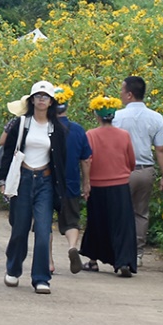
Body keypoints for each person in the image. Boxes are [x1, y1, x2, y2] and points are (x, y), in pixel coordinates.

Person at [0, 81, 68, 293]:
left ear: (52, 101)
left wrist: (62, 191)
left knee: (44, 231)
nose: (42, 99)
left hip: (45, 181)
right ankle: (13, 269)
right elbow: (8, 153)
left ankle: (41, 278)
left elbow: (62, 162)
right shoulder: (21, 123)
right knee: (20, 228)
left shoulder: (58, 129)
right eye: (38, 96)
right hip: (23, 179)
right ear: (32, 99)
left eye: (46, 96)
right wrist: (2, 181)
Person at [113, 76, 163, 267]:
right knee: (141, 212)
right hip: (146, 170)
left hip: (122, 171)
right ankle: (137, 253)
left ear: (129, 94)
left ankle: (121, 252)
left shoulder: (117, 117)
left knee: (121, 211)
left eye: (122, 90)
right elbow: (160, 149)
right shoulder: (156, 117)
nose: (120, 94)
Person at [79, 96, 137, 276]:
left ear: (97, 114)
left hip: (97, 185)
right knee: (121, 225)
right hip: (119, 185)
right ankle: (123, 262)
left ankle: (93, 260)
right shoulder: (124, 135)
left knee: (97, 223)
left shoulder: (90, 135)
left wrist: (86, 183)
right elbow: (131, 161)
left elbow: (87, 160)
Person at [52, 100, 92, 274]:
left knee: (44, 223)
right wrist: (86, 183)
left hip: (48, 182)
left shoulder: (46, 127)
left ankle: (49, 262)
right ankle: (71, 247)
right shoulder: (77, 130)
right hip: (71, 183)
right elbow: (86, 159)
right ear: (67, 107)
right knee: (72, 221)